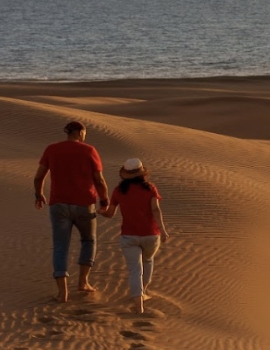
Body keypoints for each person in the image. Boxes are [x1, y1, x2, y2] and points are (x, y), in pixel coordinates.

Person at [33, 121, 110, 303]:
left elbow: (38, 177)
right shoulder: (89, 151)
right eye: (85, 133)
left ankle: (62, 293)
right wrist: (104, 200)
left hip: (59, 205)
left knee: (61, 246)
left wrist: (39, 195)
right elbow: (99, 180)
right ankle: (83, 282)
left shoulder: (52, 149)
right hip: (84, 204)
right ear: (80, 132)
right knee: (88, 241)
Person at [99, 158, 169, 314]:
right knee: (148, 261)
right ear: (142, 173)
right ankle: (143, 293)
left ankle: (139, 306)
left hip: (129, 236)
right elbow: (156, 210)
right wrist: (163, 230)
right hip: (151, 235)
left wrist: (101, 213)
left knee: (135, 270)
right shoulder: (150, 188)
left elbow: (110, 213)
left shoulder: (119, 191)